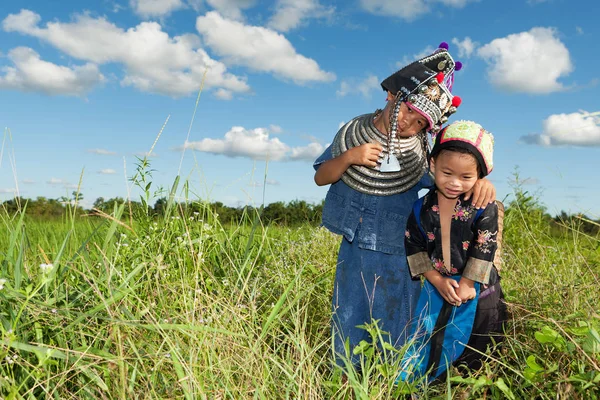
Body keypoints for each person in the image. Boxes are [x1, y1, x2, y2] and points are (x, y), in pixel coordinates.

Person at [312, 43, 496, 368]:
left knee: (398, 320)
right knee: (350, 313)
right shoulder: (352, 133)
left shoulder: (418, 155)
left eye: (422, 123)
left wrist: (479, 181)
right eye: (409, 110)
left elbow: (448, 180)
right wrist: (349, 158)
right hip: (355, 247)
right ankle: (346, 377)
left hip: (402, 255)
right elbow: (322, 177)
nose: (411, 123)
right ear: (392, 96)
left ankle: (391, 380)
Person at [398, 120, 507, 383]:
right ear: (433, 165)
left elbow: (485, 244)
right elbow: (413, 245)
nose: (455, 183)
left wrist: (468, 283)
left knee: (478, 343)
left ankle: (472, 387)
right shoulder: (420, 207)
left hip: (479, 289)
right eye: (447, 173)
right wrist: (436, 279)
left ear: (480, 176)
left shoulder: (483, 205)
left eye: (466, 177)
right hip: (438, 286)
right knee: (432, 336)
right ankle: (428, 385)